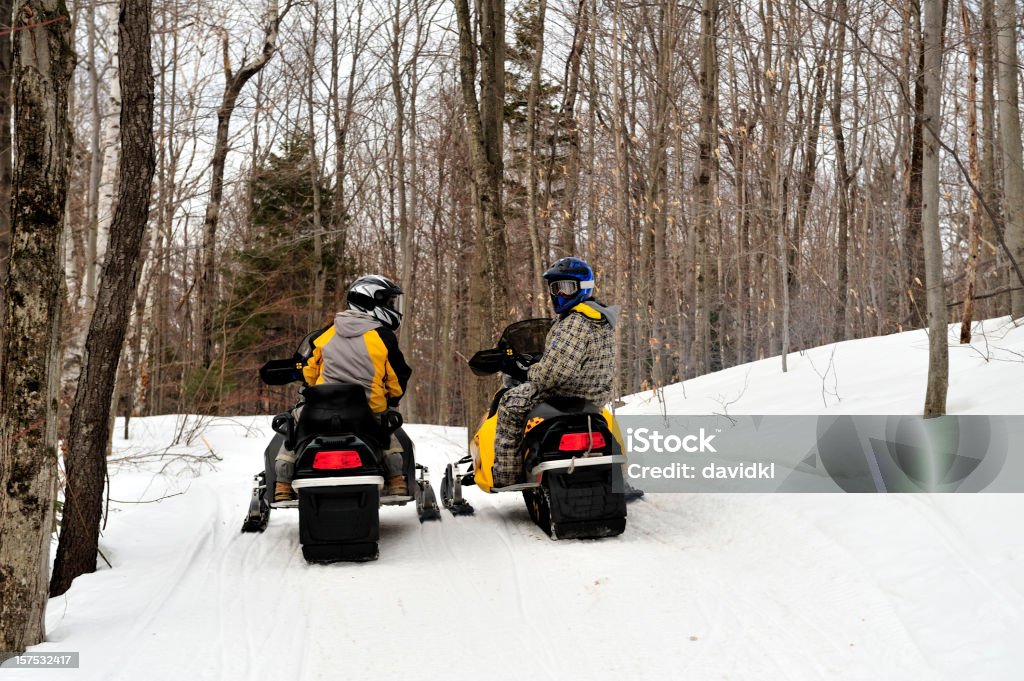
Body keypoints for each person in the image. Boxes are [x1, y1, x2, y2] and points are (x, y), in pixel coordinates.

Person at [274, 274, 413, 502]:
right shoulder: (382, 336)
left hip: (320, 410)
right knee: (387, 431)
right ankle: (396, 480)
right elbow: (397, 377)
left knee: (292, 432)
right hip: (367, 412)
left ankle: (282, 484)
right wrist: (392, 398)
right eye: (388, 302)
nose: (391, 307)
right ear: (369, 301)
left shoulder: (324, 335)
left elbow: (309, 373)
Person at [491, 257, 619, 487]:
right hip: (593, 397)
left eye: (567, 287)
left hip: (562, 394)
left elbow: (554, 375)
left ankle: (507, 476)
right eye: (555, 287)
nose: (560, 293)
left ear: (584, 288)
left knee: (509, 403)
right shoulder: (601, 320)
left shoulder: (575, 322)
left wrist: (530, 371)